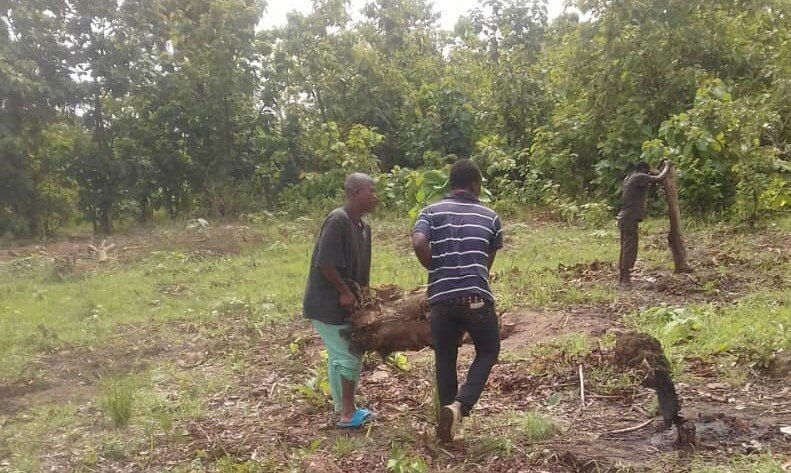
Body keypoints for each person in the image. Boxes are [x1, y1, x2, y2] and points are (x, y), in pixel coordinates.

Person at [412, 159, 503, 442]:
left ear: (450, 184)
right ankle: (460, 407)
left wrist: (433, 267)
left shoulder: (429, 212)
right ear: (475, 185)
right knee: (488, 349)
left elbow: (418, 242)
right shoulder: (490, 217)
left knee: (445, 356)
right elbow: (488, 258)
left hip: (440, 300)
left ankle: (446, 422)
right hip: (476, 297)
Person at [302, 172, 378, 428]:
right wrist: (344, 292)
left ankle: (344, 408)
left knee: (340, 356)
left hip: (349, 305)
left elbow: (360, 271)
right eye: (371, 190)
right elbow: (326, 264)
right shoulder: (338, 220)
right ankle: (347, 414)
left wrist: (363, 297)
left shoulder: (363, 228)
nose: (375, 196)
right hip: (327, 303)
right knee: (348, 354)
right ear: (355, 193)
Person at [617, 160, 670, 286]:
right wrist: (667, 166)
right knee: (630, 248)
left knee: (626, 247)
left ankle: (623, 277)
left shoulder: (631, 177)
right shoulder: (639, 177)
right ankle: (625, 279)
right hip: (629, 218)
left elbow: (653, 176)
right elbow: (659, 177)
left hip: (624, 217)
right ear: (645, 171)